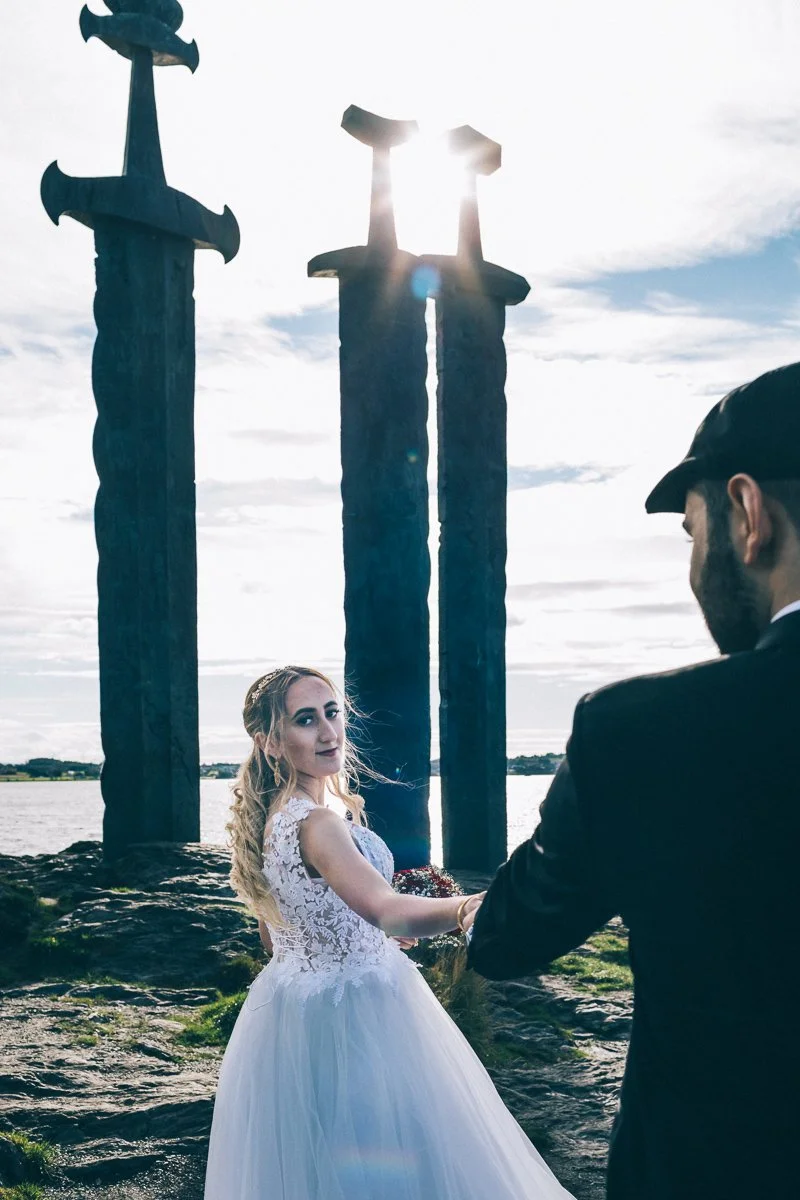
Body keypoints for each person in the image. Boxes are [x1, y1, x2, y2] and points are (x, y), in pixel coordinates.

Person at [466, 361, 800, 1199]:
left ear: (749, 514)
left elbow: (510, 936)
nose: (695, 565)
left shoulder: (643, 731)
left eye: (693, 532)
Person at [204, 664, 574, 1200]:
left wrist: (348, 934)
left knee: (320, 1163)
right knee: (401, 1152)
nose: (329, 731)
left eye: (332, 713)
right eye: (306, 720)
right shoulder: (317, 822)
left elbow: (273, 935)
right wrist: (466, 906)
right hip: (359, 1008)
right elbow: (384, 909)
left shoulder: (270, 821)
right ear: (271, 743)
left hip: (292, 1011)